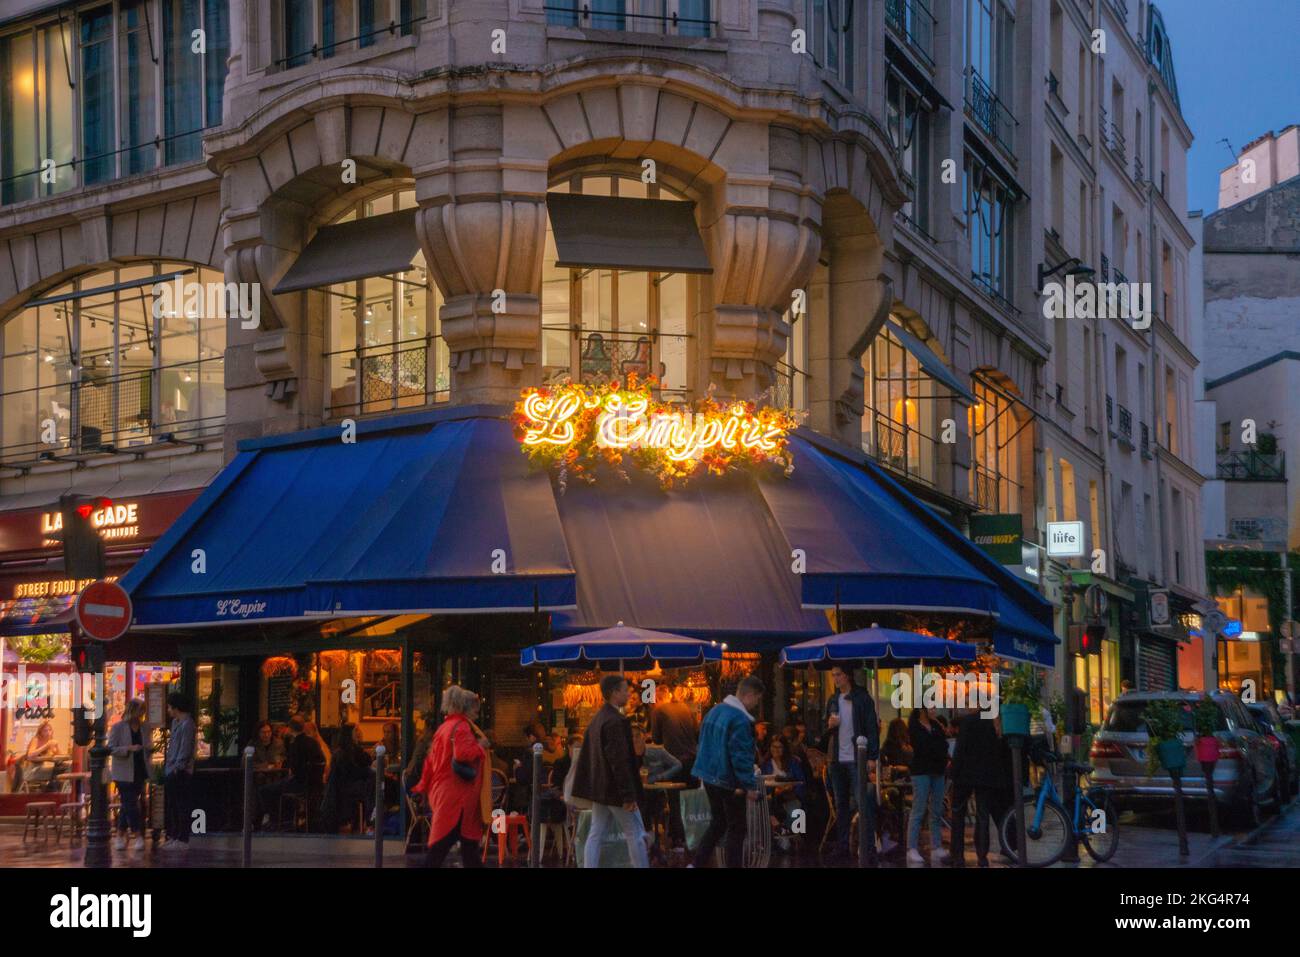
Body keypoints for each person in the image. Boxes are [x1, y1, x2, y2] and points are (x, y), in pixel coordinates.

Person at [572, 674, 650, 868]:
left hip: (600, 789)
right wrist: (628, 795)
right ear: (615, 693)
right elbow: (619, 760)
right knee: (636, 833)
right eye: (625, 690)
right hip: (616, 790)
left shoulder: (598, 719)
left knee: (596, 833)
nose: (629, 694)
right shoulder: (616, 721)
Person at [690, 675, 764, 868]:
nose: (756, 704)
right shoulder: (740, 720)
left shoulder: (715, 711)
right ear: (749, 695)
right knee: (737, 827)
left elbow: (703, 742)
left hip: (708, 775)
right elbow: (740, 755)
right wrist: (747, 785)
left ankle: (696, 863)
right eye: (757, 698)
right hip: (727, 779)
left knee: (719, 822)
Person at [413, 685, 488, 868]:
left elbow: (430, 761)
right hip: (458, 798)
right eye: (475, 712)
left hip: (443, 793)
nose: (477, 716)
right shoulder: (462, 727)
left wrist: (422, 786)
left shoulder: (443, 728)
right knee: (446, 847)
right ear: (466, 708)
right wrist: (481, 746)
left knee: (463, 848)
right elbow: (463, 754)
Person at [823, 665, 879, 858]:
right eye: (833, 675)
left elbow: (872, 727)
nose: (835, 679)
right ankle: (843, 845)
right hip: (836, 759)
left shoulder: (862, 698)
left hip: (856, 758)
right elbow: (825, 731)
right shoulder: (833, 699)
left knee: (863, 802)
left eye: (838, 675)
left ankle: (868, 846)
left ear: (847, 676)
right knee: (841, 804)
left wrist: (872, 756)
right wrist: (829, 726)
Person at [949, 709, 1012, 867]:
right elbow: (998, 750)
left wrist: (953, 771)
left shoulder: (968, 721)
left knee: (958, 815)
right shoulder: (994, 722)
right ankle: (982, 857)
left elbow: (960, 749)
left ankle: (957, 856)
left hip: (965, 775)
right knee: (982, 816)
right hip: (986, 776)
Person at [906, 705, 950, 865]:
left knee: (937, 809)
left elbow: (944, 745)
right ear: (921, 709)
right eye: (930, 707)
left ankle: (936, 845)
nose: (934, 710)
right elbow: (922, 747)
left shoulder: (936, 725)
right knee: (919, 809)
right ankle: (911, 848)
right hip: (921, 772)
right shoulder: (914, 726)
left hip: (937, 771)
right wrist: (936, 747)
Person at [108, 698, 149, 851]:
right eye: (140, 711)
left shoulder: (144, 727)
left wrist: (147, 750)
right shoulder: (118, 727)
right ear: (132, 710)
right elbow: (111, 748)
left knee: (128, 804)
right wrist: (128, 748)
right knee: (130, 802)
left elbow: (147, 744)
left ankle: (119, 835)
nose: (142, 714)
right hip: (123, 771)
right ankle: (138, 836)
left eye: (143, 711)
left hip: (140, 769)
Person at [322, 723, 374, 832]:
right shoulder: (352, 751)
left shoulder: (340, 752)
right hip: (350, 789)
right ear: (350, 734)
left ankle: (364, 822)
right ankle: (370, 821)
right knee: (373, 787)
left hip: (340, 790)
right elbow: (359, 770)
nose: (360, 733)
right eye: (356, 731)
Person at [162, 692, 196, 851]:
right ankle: (174, 835)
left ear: (176, 707)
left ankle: (182, 838)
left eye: (169, 707)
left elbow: (185, 748)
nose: (168, 710)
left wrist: (178, 767)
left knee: (181, 805)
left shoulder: (187, 724)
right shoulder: (176, 723)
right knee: (173, 805)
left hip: (179, 771)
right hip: (172, 768)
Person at [761, 735, 806, 835]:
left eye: (779, 747)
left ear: (784, 748)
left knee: (796, 814)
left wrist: (791, 787)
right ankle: (781, 833)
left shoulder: (793, 762)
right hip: (773, 797)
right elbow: (763, 785)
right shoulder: (765, 764)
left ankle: (788, 835)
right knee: (765, 804)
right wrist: (774, 791)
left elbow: (801, 782)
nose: (776, 750)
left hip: (790, 796)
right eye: (773, 746)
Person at [15, 721, 61, 791]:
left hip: (39, 769)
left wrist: (57, 746)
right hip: (31, 771)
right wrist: (46, 745)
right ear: (40, 733)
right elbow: (30, 755)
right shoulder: (36, 740)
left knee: (61, 768)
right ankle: (50, 791)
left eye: (49, 730)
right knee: (58, 771)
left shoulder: (49, 741)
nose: (48, 732)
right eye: (45, 731)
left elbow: (59, 756)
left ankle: (50, 790)